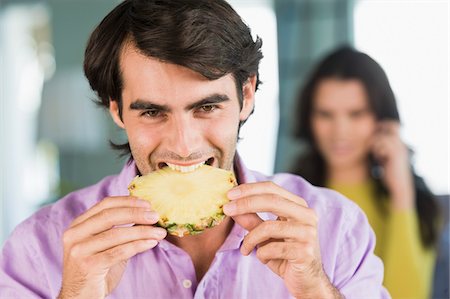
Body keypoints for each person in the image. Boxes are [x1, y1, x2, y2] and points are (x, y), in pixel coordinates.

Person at [0, 2, 389, 298]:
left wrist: (316, 288)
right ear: (117, 108)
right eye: (152, 111)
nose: (184, 145)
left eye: (206, 107)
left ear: (247, 94)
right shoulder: (39, 246)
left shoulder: (337, 228)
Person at [292, 46, 441, 299]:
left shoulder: (420, 206)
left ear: (382, 120)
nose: (340, 131)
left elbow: (406, 295)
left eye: (356, 114)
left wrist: (401, 194)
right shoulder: (290, 196)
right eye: (325, 114)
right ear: (309, 119)